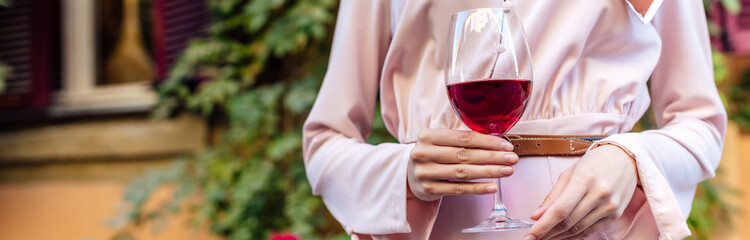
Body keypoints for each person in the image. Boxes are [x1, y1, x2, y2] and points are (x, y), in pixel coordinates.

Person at [302, 0, 727, 239]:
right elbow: (325, 144)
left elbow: (701, 124)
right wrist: (403, 174)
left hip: (599, 231)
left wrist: (630, 157)